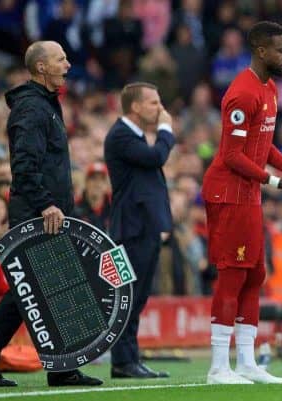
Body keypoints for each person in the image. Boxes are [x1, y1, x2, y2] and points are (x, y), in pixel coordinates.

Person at [201, 21, 282, 385]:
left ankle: (248, 362)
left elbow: (263, 146)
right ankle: (219, 367)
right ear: (261, 51)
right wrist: (274, 181)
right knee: (233, 274)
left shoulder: (269, 89)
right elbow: (232, 155)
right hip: (228, 193)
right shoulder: (241, 94)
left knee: (255, 274)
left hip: (248, 194)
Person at [0, 40, 102, 387]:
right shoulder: (33, 108)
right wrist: (46, 203)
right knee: (26, 291)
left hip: (52, 212)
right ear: (41, 68)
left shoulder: (46, 104)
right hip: (38, 213)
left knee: (52, 289)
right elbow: (24, 165)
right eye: (60, 59)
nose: (67, 64)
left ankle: (61, 368)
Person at [104, 82, 174, 379]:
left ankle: (130, 358)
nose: (160, 109)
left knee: (139, 295)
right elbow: (156, 157)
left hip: (144, 225)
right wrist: (167, 130)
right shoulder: (120, 135)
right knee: (128, 295)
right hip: (132, 227)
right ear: (135, 107)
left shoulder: (132, 135)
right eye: (153, 103)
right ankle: (122, 360)